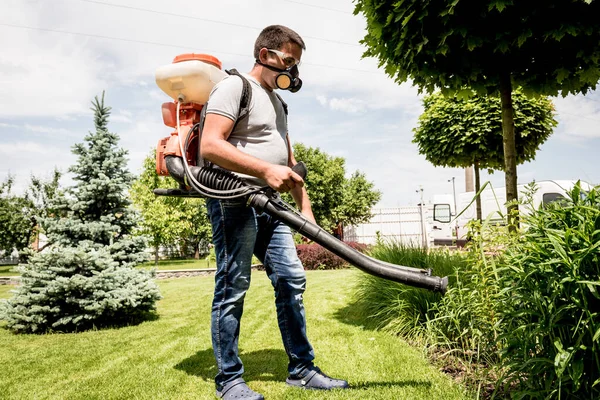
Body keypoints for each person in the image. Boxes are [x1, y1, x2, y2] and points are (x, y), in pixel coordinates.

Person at [200, 25, 350, 400]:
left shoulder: (279, 102)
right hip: (233, 197)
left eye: (296, 63)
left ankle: (301, 369)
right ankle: (229, 380)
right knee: (233, 285)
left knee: (291, 280)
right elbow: (209, 145)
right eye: (289, 61)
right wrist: (264, 169)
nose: (293, 70)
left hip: (271, 204)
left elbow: (290, 162)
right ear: (266, 55)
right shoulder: (235, 88)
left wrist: (307, 212)